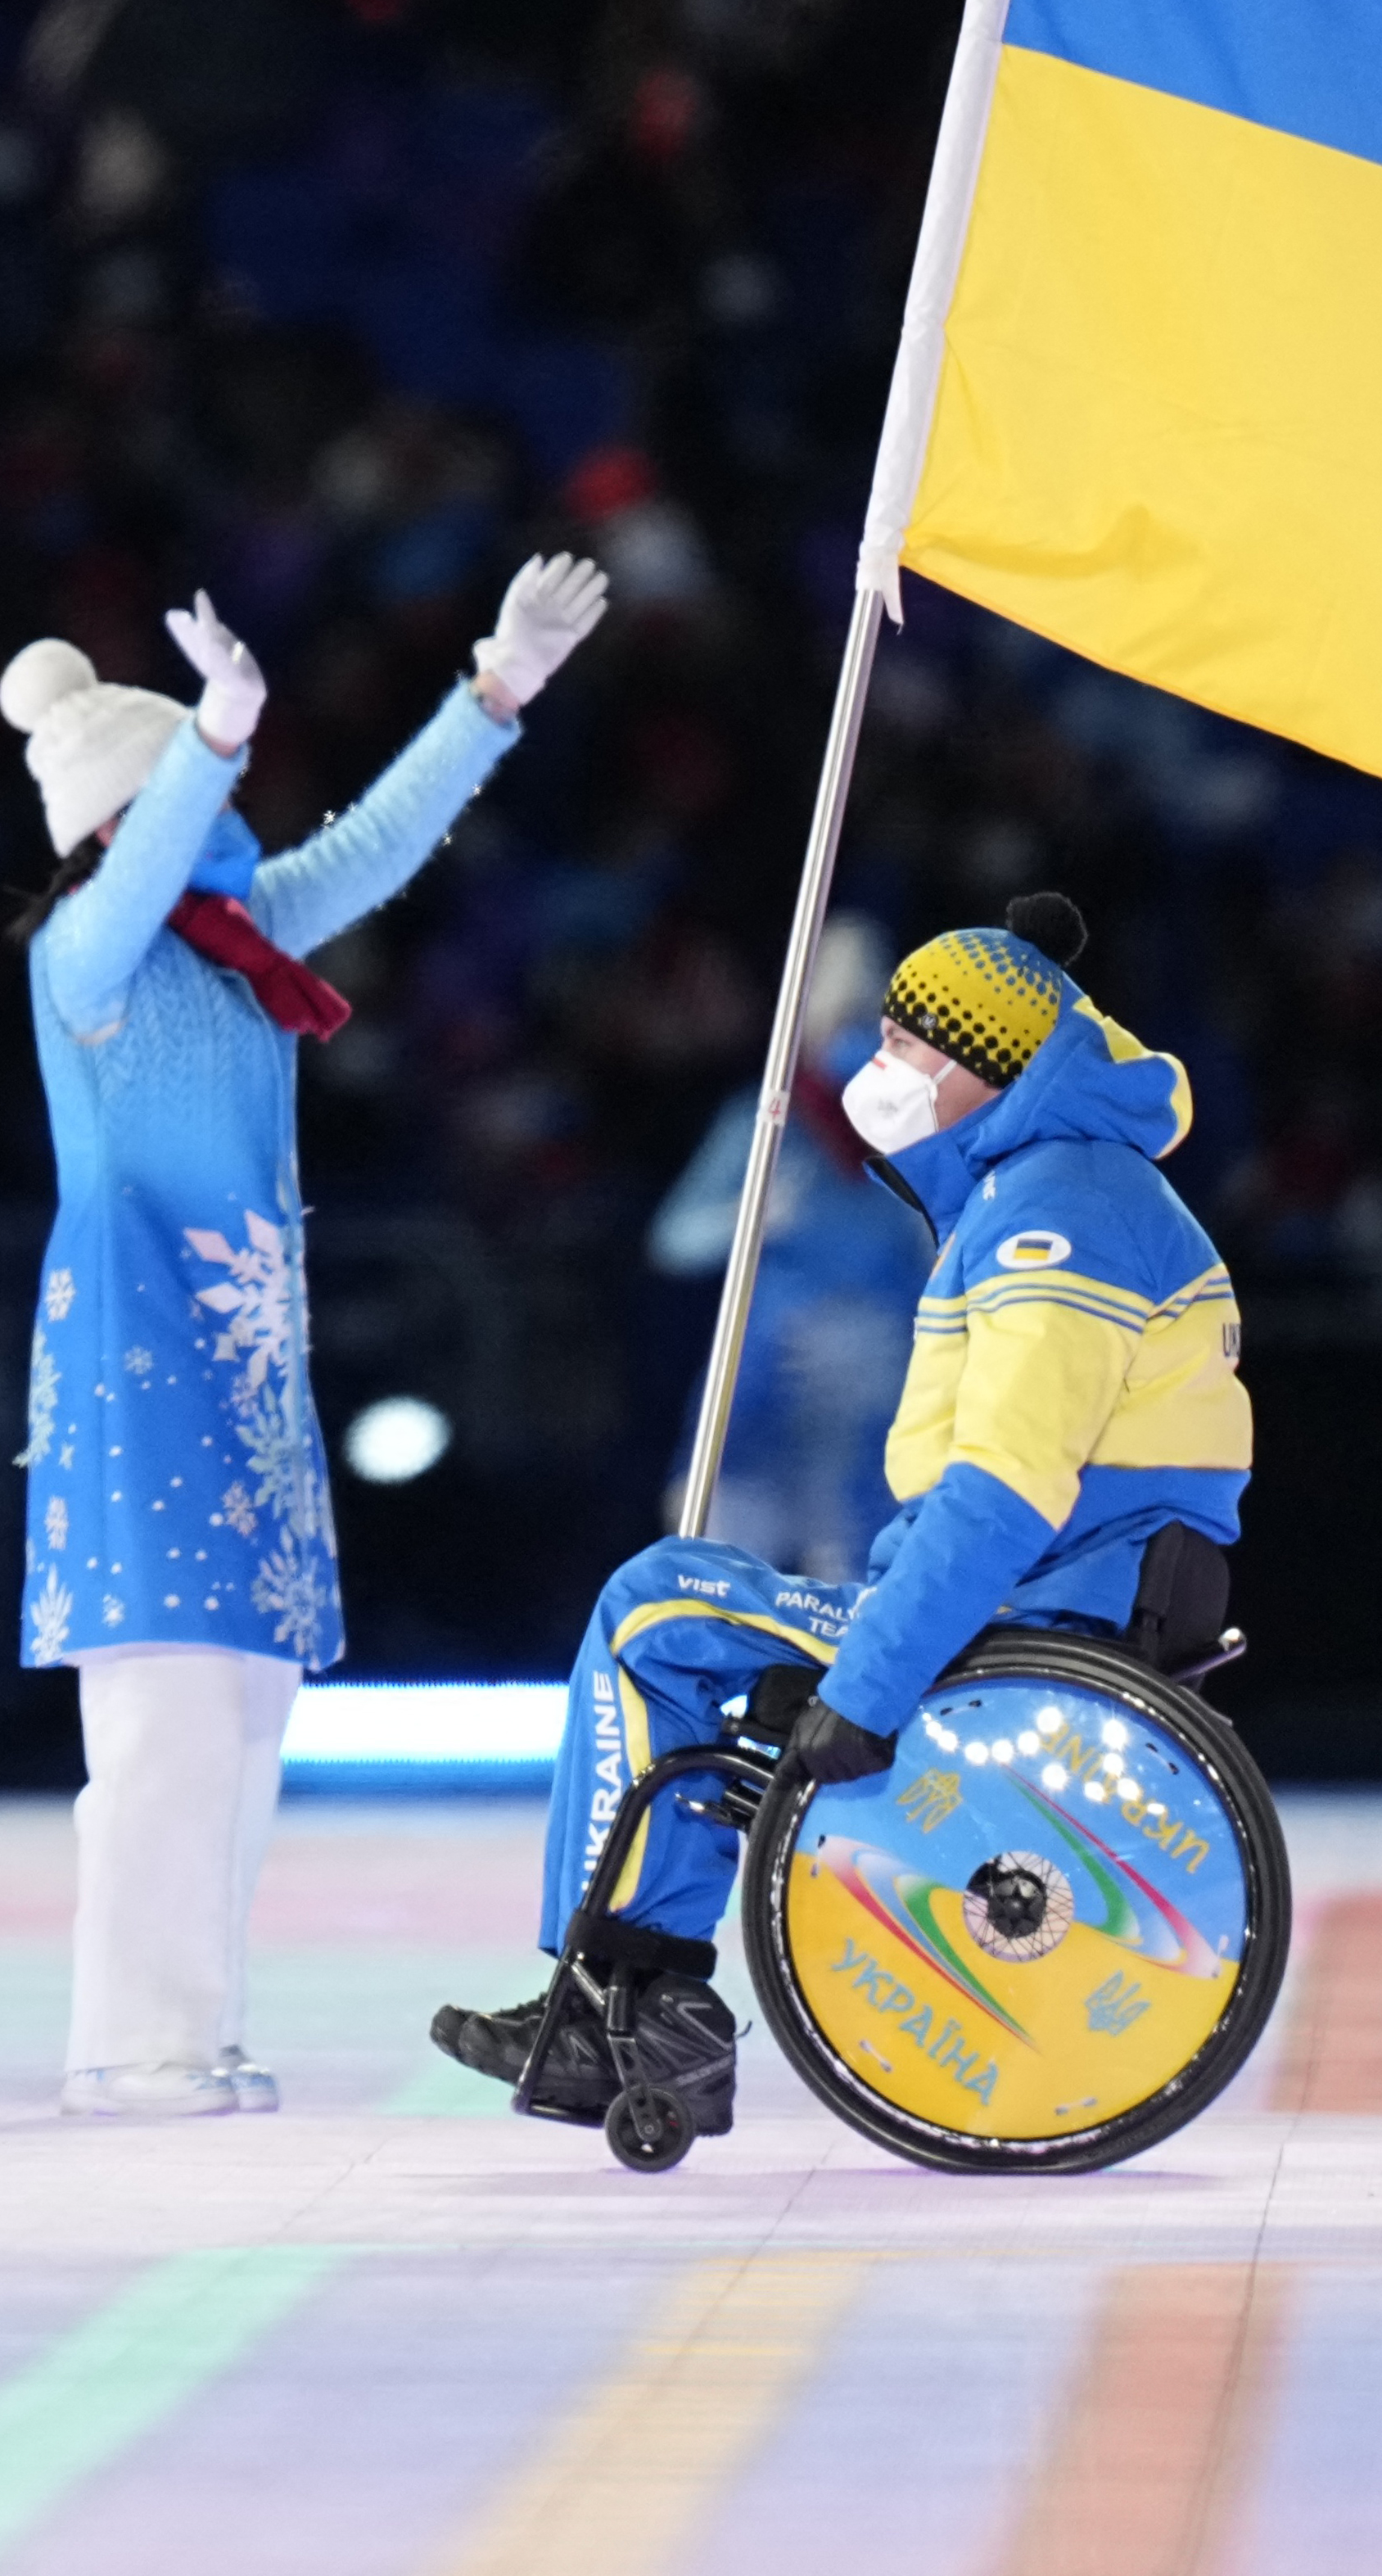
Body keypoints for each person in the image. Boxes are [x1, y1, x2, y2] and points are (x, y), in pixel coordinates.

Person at [430, 893, 1252, 2135]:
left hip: (1035, 1605)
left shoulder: (1056, 1216)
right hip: (1059, 1586)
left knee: (652, 1609)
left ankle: (636, 1999)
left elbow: (1005, 1489)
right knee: (688, 1593)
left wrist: (866, 1687)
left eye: (906, 1045)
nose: (877, 1065)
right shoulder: (1049, 1187)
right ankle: (638, 1990)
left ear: (985, 1065)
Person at [7, 553, 608, 2119]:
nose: (228, 819)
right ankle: (129, 2042)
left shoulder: (243, 939)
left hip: (242, 1371)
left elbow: (382, 842)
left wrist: (496, 691)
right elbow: (146, 862)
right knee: (161, 1724)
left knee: (243, 1719)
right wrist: (215, 731)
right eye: (187, 794)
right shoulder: (86, 960)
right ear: (121, 819)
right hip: (140, 1365)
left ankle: (190, 2028)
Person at [643, 911, 933, 1576]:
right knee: (718, 1566)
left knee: (847, 1575)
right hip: (770, 1384)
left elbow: (937, 1264)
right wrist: (746, 1218)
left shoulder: (916, 1138)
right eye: (837, 1011)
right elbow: (672, 1241)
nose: (850, 1033)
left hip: (869, 1410)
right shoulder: (768, 1122)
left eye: (866, 1013)